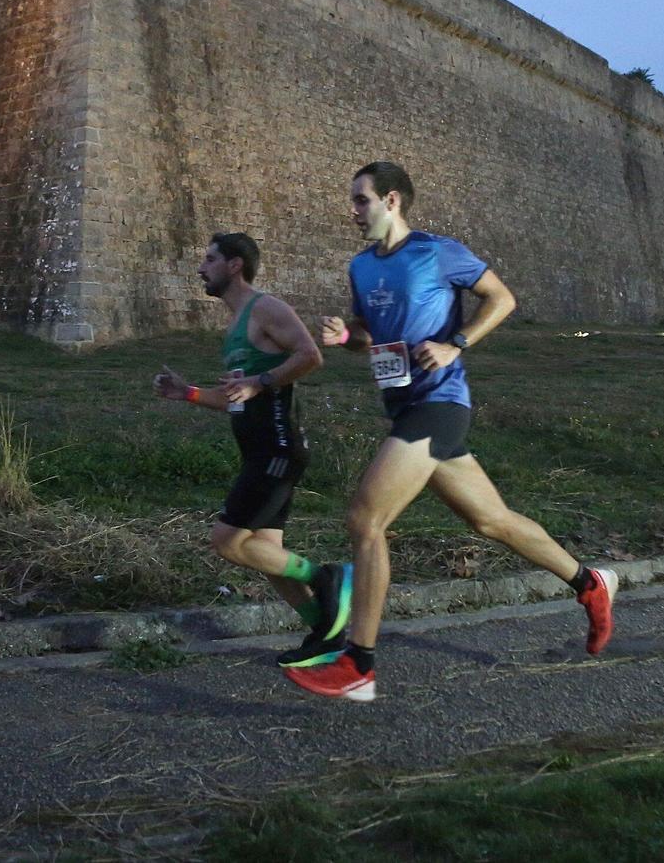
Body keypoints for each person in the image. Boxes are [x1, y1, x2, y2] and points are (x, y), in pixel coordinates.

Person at [282, 162, 617, 702]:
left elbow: (502, 299)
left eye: (360, 201)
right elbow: (369, 336)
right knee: (492, 520)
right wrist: (348, 335)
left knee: (365, 519)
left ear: (392, 201)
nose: (352, 211)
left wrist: (454, 343)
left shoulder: (438, 251)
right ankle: (589, 583)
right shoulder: (362, 267)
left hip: (440, 404)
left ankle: (358, 664)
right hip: (403, 405)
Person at [152, 232, 352, 668]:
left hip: (277, 451)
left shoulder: (266, 308)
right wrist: (186, 393)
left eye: (209, 259)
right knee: (268, 556)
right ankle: (327, 635)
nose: (201, 268)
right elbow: (235, 398)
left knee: (227, 542)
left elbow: (310, 355)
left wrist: (260, 382)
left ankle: (325, 577)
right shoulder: (236, 326)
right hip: (260, 451)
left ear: (235, 265)